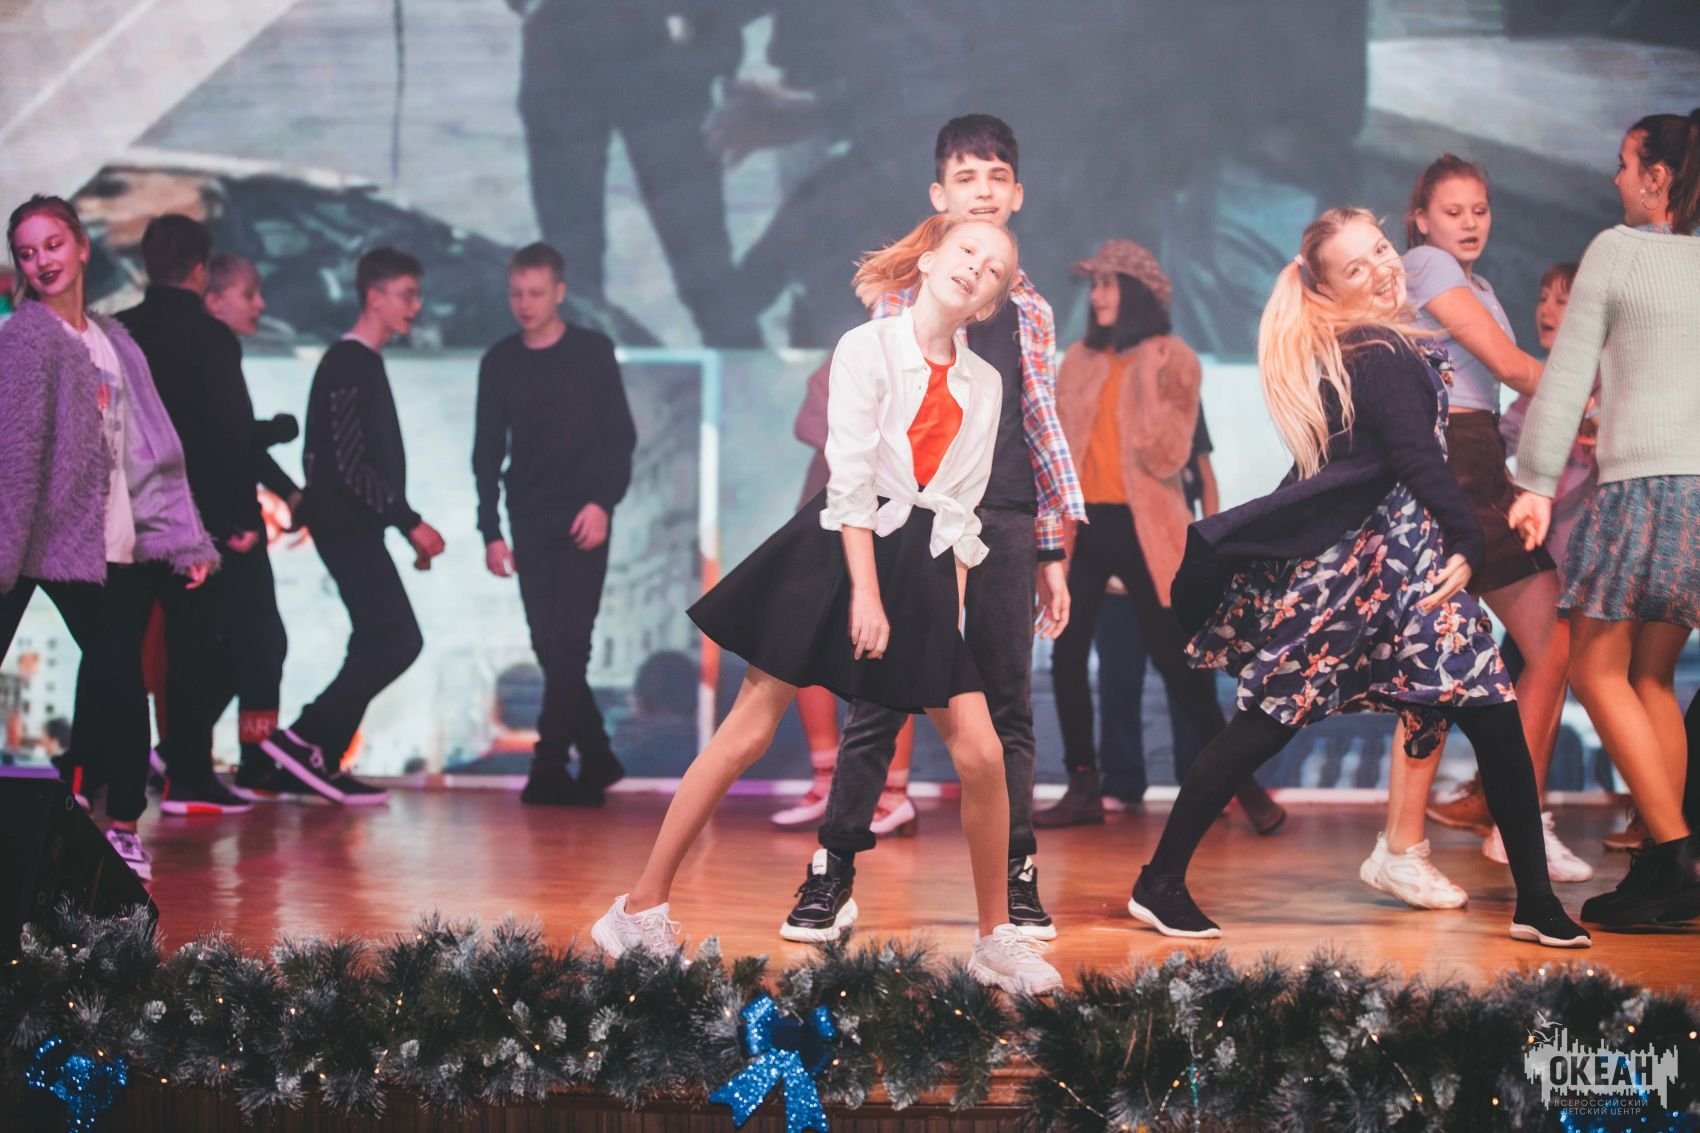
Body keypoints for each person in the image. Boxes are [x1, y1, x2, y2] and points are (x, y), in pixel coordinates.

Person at [592, 214, 1065, 995]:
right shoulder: (865, 347)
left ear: (991, 303)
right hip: (834, 554)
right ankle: (638, 908)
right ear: (929, 258)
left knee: (982, 753)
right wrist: (866, 594)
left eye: (993, 271)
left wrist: (942, 623)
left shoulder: (986, 385)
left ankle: (995, 938)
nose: (975, 269)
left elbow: (958, 512)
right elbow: (848, 484)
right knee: (746, 732)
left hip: (921, 563)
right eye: (966, 251)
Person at [1132, 207, 1589, 950]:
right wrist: (1469, 539)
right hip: (1372, 572)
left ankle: (1535, 901)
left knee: (1491, 711)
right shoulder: (1377, 349)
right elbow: (1417, 459)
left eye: (1380, 250)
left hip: (1403, 569)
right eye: (1356, 266)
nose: (1379, 269)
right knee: (1268, 721)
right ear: (1327, 291)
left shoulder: (1377, 343)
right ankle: (1159, 882)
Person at [775, 116, 1083, 947]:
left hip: (1005, 518)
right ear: (940, 195)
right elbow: (873, 436)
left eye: (997, 177)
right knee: (882, 697)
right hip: (917, 521)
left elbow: (1041, 423)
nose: (983, 191)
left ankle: (1016, 873)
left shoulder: (1032, 308)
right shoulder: (902, 298)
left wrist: (1051, 547)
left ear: (1017, 195)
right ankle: (833, 869)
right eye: (966, 177)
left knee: (1010, 704)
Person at [1359, 156, 1590, 913]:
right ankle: (1401, 846)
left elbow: (1507, 391)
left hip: (1484, 461)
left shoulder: (1479, 284)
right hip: (1446, 463)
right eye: (1452, 210)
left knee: (1551, 635)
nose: (1469, 222)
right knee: (1437, 656)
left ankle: (1512, 820)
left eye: (1480, 209)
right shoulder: (1425, 264)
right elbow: (1510, 366)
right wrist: (1598, 403)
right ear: (1421, 219)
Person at [1510, 109, 1700, 926]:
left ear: (1657, 178)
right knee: (1651, 679)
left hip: (1641, 489)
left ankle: (1672, 857)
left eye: (1625, 164)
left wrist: (1533, 480)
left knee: (1593, 668)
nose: (1616, 178)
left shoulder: (1618, 251)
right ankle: (1665, 867)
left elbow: (1565, 378)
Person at [0, 195, 218, 879]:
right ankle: (117, 816)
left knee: (121, 675)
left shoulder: (113, 341)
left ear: (82, 246)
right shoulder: (26, 339)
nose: (42, 261)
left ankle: (123, 824)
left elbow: (151, 451)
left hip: (101, 540)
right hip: (30, 537)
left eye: (53, 244)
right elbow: (15, 457)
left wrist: (183, 538)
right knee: (119, 672)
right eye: (27, 252)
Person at [1039, 241, 1285, 832]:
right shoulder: (1077, 360)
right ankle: (1083, 785)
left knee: (1179, 666)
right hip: (1084, 525)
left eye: (1109, 283)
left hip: (1145, 525)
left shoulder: (1175, 358)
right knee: (1066, 656)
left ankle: (1245, 789)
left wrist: (1148, 380)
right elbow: (1059, 452)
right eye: (1094, 284)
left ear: (1137, 291)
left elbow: (1169, 454)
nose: (1097, 295)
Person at [258, 247, 445, 804]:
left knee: (375, 638)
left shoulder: (361, 363)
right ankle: (303, 740)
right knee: (399, 639)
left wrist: (399, 522)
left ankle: (316, 756)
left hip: (352, 524)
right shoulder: (348, 363)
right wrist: (409, 521)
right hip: (344, 525)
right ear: (374, 296)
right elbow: (347, 463)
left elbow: (350, 460)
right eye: (407, 294)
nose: (416, 306)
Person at [116, 217, 287, 817]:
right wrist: (241, 519)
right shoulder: (211, 340)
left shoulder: (119, 332)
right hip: (198, 523)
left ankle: (101, 775)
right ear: (199, 270)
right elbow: (225, 437)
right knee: (198, 649)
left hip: (127, 521)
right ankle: (188, 776)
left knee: (119, 651)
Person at [474, 242, 637, 807]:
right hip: (527, 515)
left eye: (536, 293)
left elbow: (619, 437)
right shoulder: (499, 361)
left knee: (570, 640)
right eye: (516, 294)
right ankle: (597, 755)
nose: (525, 304)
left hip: (583, 514)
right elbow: (486, 451)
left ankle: (548, 765)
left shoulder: (592, 352)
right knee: (549, 643)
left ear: (559, 293)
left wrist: (602, 503)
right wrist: (490, 530)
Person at [510, 0, 759, 346]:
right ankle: (569, 365)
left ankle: (740, 357)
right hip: (577, 43)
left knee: (702, 258)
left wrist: (708, 21)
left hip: (658, 44)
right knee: (572, 260)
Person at [769, 358, 918, 836]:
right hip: (826, 510)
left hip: (894, 516)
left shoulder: (937, 357)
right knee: (805, 648)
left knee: (890, 653)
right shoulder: (853, 351)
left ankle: (891, 793)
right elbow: (811, 423)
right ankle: (825, 780)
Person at [200, 252, 311, 797]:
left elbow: (235, 441)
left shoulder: (216, 352)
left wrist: (288, 491)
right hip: (227, 531)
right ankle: (251, 759)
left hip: (228, 525)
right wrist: (276, 432)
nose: (261, 304)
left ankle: (193, 751)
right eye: (249, 294)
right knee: (259, 644)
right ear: (214, 299)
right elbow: (219, 444)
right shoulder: (209, 354)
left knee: (247, 647)